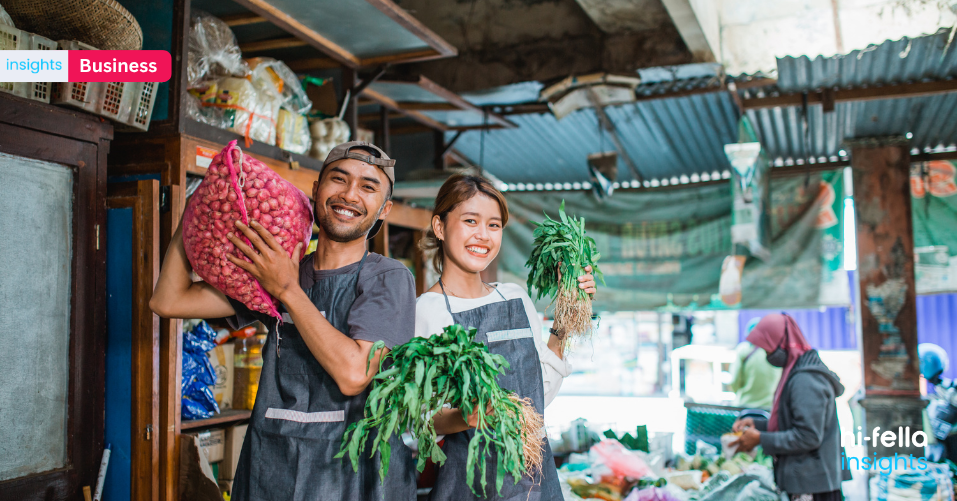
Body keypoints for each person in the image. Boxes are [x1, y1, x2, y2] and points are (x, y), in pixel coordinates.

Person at [150, 141, 417, 501]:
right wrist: (200, 209)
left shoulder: (386, 277)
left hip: (350, 480)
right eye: (338, 179)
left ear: (383, 210)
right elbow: (168, 300)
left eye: (368, 187)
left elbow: (355, 373)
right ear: (316, 190)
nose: (350, 194)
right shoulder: (274, 270)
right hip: (271, 467)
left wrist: (288, 289)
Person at [414, 175, 598, 501]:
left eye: (494, 225)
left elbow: (538, 397)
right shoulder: (426, 311)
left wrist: (567, 312)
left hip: (537, 481)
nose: (483, 235)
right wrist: (464, 417)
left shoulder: (514, 298)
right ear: (440, 227)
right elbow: (414, 427)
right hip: (472, 484)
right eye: (470, 221)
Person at [730, 313, 850, 501]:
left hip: (813, 485)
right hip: (807, 479)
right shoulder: (797, 371)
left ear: (783, 344)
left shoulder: (805, 380)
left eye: (768, 349)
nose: (767, 355)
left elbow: (808, 436)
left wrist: (761, 439)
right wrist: (757, 424)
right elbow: (793, 422)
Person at [728, 317, 782, 409]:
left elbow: (734, 381)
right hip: (769, 407)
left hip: (745, 405)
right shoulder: (777, 353)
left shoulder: (744, 350)